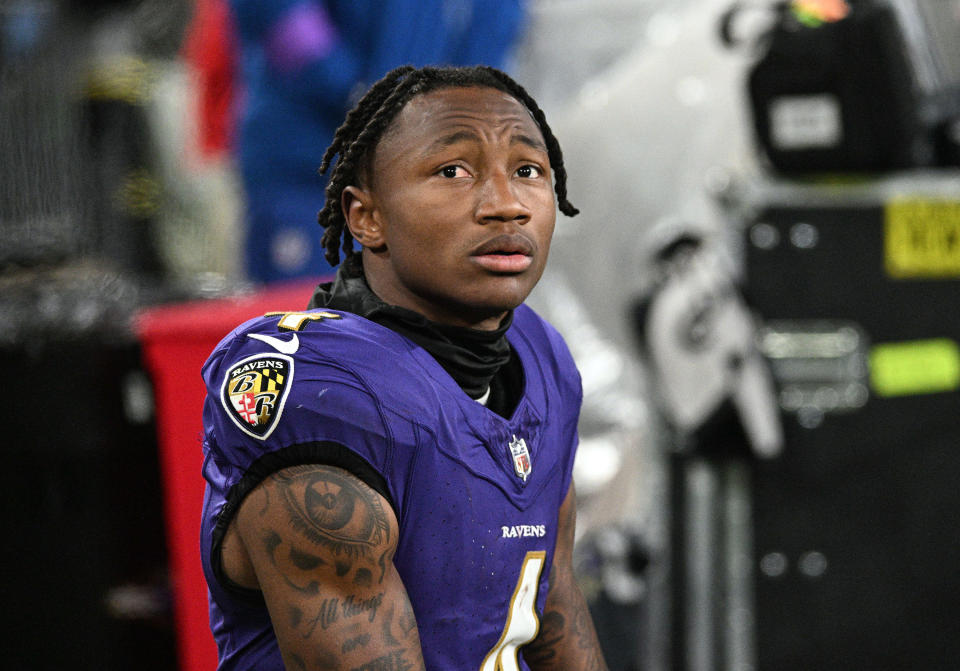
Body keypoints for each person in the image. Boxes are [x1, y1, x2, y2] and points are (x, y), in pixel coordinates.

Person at [199, 64, 609, 670]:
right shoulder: (333, 397)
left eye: (528, 172)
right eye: (453, 172)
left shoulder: (539, 360)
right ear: (367, 218)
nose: (507, 205)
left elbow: (556, 607)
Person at [227, 0, 528, 283]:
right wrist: (352, 91)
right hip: (312, 169)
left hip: (425, 182)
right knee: (312, 323)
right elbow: (279, 15)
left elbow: (495, 26)